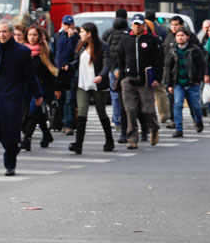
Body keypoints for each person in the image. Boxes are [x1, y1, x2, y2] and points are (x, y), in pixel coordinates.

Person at [0, 20, 43, 176]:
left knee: (10, 133)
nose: (1, 35)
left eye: (4, 32)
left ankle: (10, 164)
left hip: (12, 98)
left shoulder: (21, 51)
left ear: (11, 33)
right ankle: (13, 149)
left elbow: (30, 75)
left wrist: (38, 94)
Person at [67, 23, 114, 154]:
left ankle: (109, 140)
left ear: (89, 33)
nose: (80, 34)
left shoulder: (103, 46)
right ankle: (78, 144)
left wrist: (101, 76)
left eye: (82, 32)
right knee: (82, 113)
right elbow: (78, 61)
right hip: (82, 84)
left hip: (98, 85)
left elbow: (107, 63)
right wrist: (69, 66)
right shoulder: (82, 45)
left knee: (101, 113)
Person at [118, 14, 163, 149]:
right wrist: (121, 77)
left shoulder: (152, 40)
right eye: (135, 24)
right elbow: (120, 58)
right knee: (130, 109)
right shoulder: (125, 39)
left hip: (146, 80)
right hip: (129, 80)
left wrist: (157, 79)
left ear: (144, 25)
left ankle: (154, 129)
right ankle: (132, 138)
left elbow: (158, 61)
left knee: (148, 110)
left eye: (139, 24)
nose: (137, 27)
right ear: (131, 25)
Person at [20, 25, 58, 150]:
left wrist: (56, 88)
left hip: (42, 87)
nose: (32, 37)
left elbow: (52, 70)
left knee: (33, 112)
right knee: (37, 113)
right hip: (26, 87)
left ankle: (27, 140)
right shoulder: (22, 50)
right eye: (29, 35)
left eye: (34, 35)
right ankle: (47, 135)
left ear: (39, 36)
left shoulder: (45, 50)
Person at [165, 27, 206, 137]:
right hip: (178, 83)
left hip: (193, 83)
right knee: (177, 105)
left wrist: (198, 79)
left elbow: (202, 65)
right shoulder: (173, 51)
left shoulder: (194, 50)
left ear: (187, 37)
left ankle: (198, 121)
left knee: (196, 106)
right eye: (178, 36)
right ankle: (179, 129)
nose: (180, 38)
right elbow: (169, 68)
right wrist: (169, 84)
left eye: (182, 35)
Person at [163, 15, 200, 128]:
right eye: (172, 25)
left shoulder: (191, 37)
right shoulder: (169, 37)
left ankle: (196, 119)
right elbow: (165, 57)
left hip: (189, 76)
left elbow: (199, 57)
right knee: (174, 101)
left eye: (176, 25)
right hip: (174, 76)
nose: (174, 27)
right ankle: (174, 120)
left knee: (192, 102)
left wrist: (198, 76)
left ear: (182, 25)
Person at [52, 14, 80, 135]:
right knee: (60, 97)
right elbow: (53, 52)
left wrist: (72, 38)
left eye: (69, 25)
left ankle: (69, 124)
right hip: (59, 71)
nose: (67, 27)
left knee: (69, 98)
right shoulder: (57, 36)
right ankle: (63, 121)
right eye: (65, 24)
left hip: (70, 71)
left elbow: (76, 53)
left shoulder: (77, 37)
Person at [102, 8, 128, 137]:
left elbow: (105, 52)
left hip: (112, 69)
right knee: (128, 96)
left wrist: (111, 68)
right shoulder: (128, 33)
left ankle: (116, 119)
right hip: (126, 69)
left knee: (115, 96)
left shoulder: (107, 33)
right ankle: (125, 121)